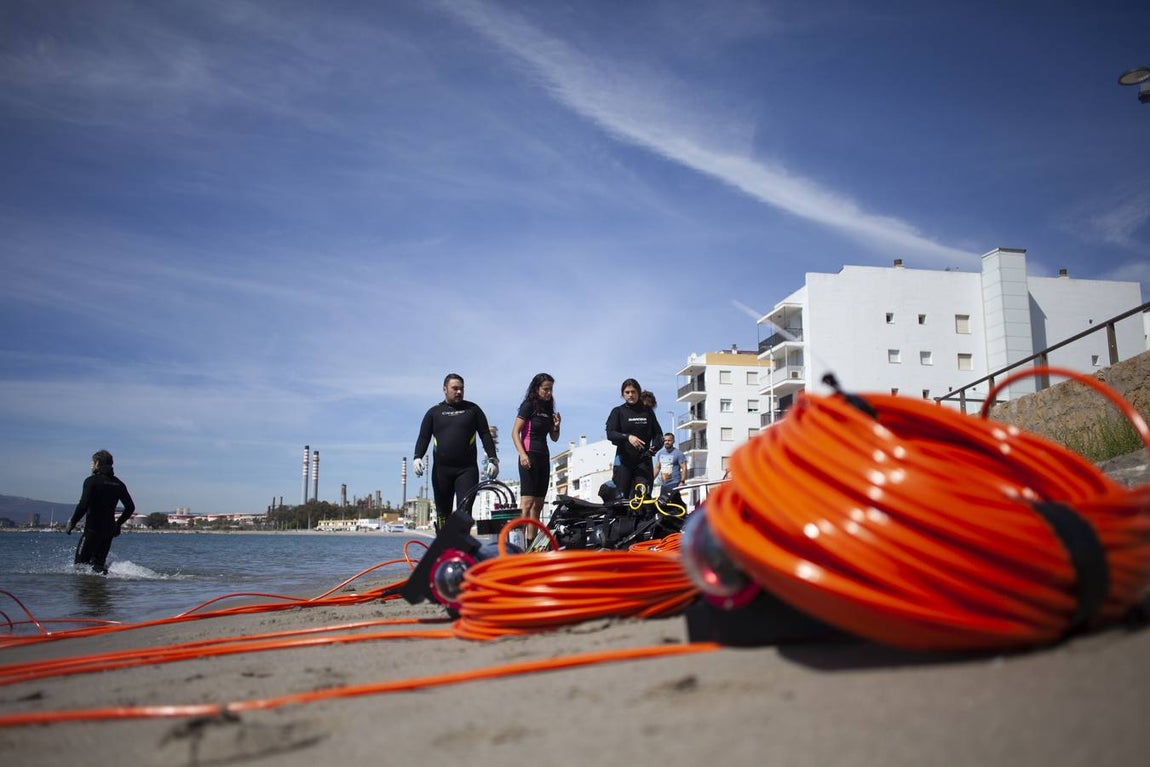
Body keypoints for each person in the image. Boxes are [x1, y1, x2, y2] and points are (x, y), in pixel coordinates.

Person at [413, 373, 499, 529]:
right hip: (441, 471)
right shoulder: (434, 412)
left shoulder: (473, 410)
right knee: (442, 514)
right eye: (455, 388)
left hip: (466, 470)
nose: (459, 392)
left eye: (462, 389)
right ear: (445, 389)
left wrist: (493, 458)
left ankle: (461, 550)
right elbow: (423, 437)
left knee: (464, 512)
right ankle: (444, 550)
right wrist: (417, 457)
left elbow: (485, 435)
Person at [66, 450, 135, 575]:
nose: (91, 465)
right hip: (108, 532)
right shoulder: (118, 484)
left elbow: (83, 505)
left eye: (92, 463)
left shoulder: (91, 481)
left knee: (79, 568)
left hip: (92, 530)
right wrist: (118, 524)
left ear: (97, 463)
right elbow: (130, 507)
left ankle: (87, 593)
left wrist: (72, 522)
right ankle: (100, 593)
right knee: (98, 568)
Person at [511, 373, 561, 522]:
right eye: (545, 389)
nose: (549, 393)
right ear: (537, 388)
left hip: (543, 457)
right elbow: (514, 433)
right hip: (529, 455)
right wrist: (523, 455)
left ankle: (531, 544)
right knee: (527, 503)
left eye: (551, 389)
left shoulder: (548, 409)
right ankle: (519, 541)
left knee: (538, 505)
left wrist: (557, 427)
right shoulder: (528, 406)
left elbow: (554, 438)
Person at [605, 378, 663, 500]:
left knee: (643, 497)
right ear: (623, 394)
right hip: (624, 461)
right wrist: (628, 437)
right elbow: (610, 434)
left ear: (638, 392)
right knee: (621, 498)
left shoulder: (647, 412)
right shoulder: (618, 411)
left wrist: (654, 448)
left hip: (643, 462)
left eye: (633, 391)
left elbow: (658, 435)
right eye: (627, 392)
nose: (630, 395)